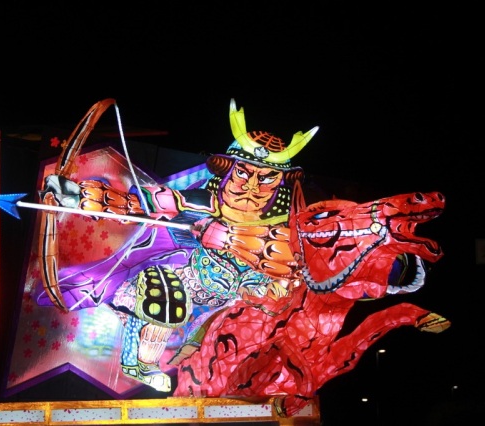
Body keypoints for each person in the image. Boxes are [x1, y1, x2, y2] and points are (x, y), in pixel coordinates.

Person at [39, 99, 319, 391]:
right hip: (188, 279)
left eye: (267, 177)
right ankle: (141, 364)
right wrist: (78, 196)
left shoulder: (285, 227)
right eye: (243, 172)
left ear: (281, 181)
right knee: (165, 297)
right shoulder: (202, 202)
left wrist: (273, 285)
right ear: (228, 169)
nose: (251, 186)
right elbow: (142, 202)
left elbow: (293, 271)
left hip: (230, 303)